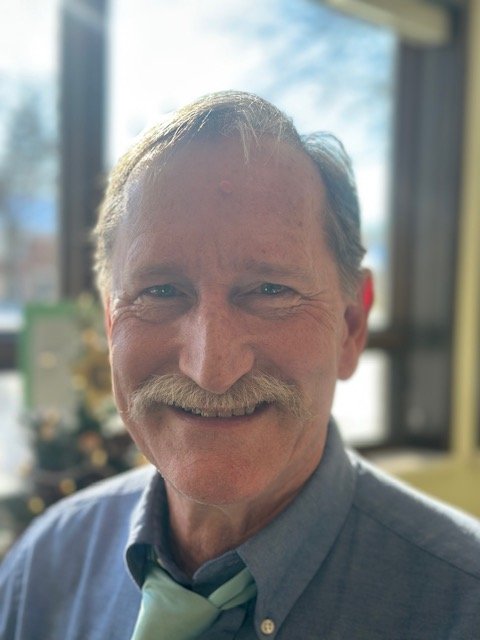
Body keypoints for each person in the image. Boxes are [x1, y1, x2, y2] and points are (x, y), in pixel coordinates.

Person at [1, 91, 479, 640]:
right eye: (160, 291)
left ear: (351, 326)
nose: (211, 368)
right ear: (112, 326)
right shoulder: (44, 571)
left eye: (271, 290)